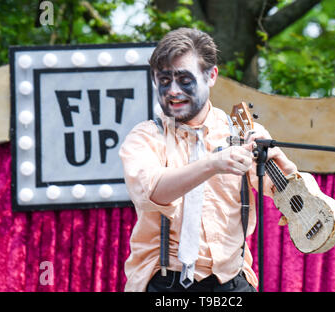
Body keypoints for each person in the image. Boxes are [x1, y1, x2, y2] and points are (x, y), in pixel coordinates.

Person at [119, 27, 297, 292]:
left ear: (211, 76)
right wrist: (213, 164)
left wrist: (290, 174)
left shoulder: (244, 134)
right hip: (163, 282)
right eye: (164, 81)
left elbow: (285, 197)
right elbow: (153, 191)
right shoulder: (145, 136)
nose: (173, 91)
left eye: (184, 80)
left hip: (230, 282)